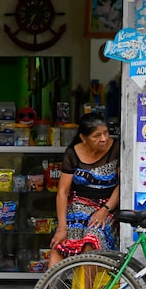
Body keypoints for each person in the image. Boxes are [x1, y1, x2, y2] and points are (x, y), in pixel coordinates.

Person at [49, 113, 120, 268]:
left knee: (91, 242)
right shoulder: (72, 153)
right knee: (58, 247)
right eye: (97, 136)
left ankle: (88, 286)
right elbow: (63, 192)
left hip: (107, 207)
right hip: (77, 207)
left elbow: (122, 185)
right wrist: (62, 229)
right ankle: (50, 284)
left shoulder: (116, 149)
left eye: (106, 133)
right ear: (83, 138)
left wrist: (105, 210)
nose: (104, 139)